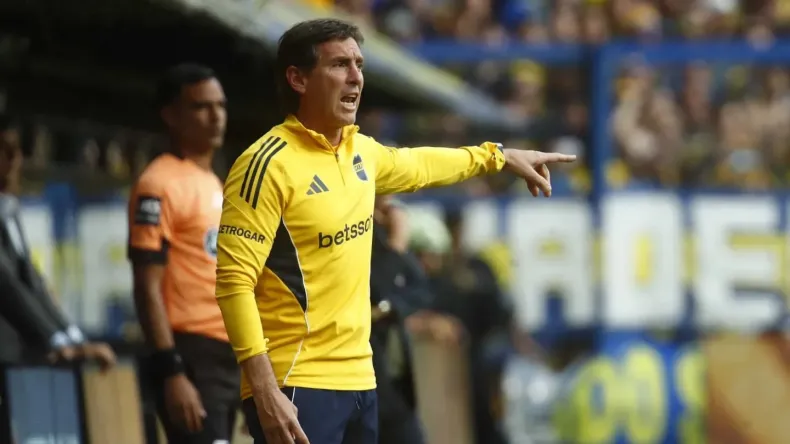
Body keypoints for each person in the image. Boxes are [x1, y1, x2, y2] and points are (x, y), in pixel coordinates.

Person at [214, 18, 575, 444]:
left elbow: (422, 165)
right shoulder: (265, 165)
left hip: (362, 380)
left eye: (359, 64)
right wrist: (263, 388)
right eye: (339, 64)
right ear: (298, 78)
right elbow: (234, 283)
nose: (356, 77)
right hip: (297, 380)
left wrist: (499, 156)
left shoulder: (361, 153)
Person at [127, 64, 240, 444]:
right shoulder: (158, 184)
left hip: (227, 354)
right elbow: (147, 286)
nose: (216, 116)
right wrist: (171, 370)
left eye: (220, 105)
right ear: (171, 115)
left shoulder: (213, 182)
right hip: (190, 354)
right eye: (201, 107)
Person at [0, 114, 116, 441]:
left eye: (18, 151)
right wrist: (56, 341)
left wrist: (71, 336)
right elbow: (7, 283)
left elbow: (31, 280)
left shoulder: (7, 208)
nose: (15, 160)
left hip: (17, 357)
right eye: (5, 150)